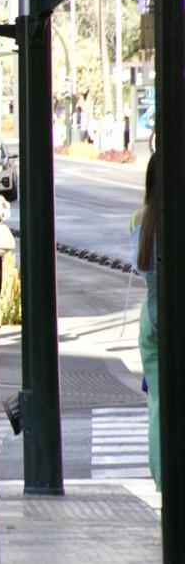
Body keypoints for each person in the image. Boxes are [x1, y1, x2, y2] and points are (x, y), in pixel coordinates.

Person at [131, 153, 159, 490]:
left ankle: (162, 479)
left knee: (157, 408)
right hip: (165, 318)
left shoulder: (141, 219)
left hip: (147, 322)